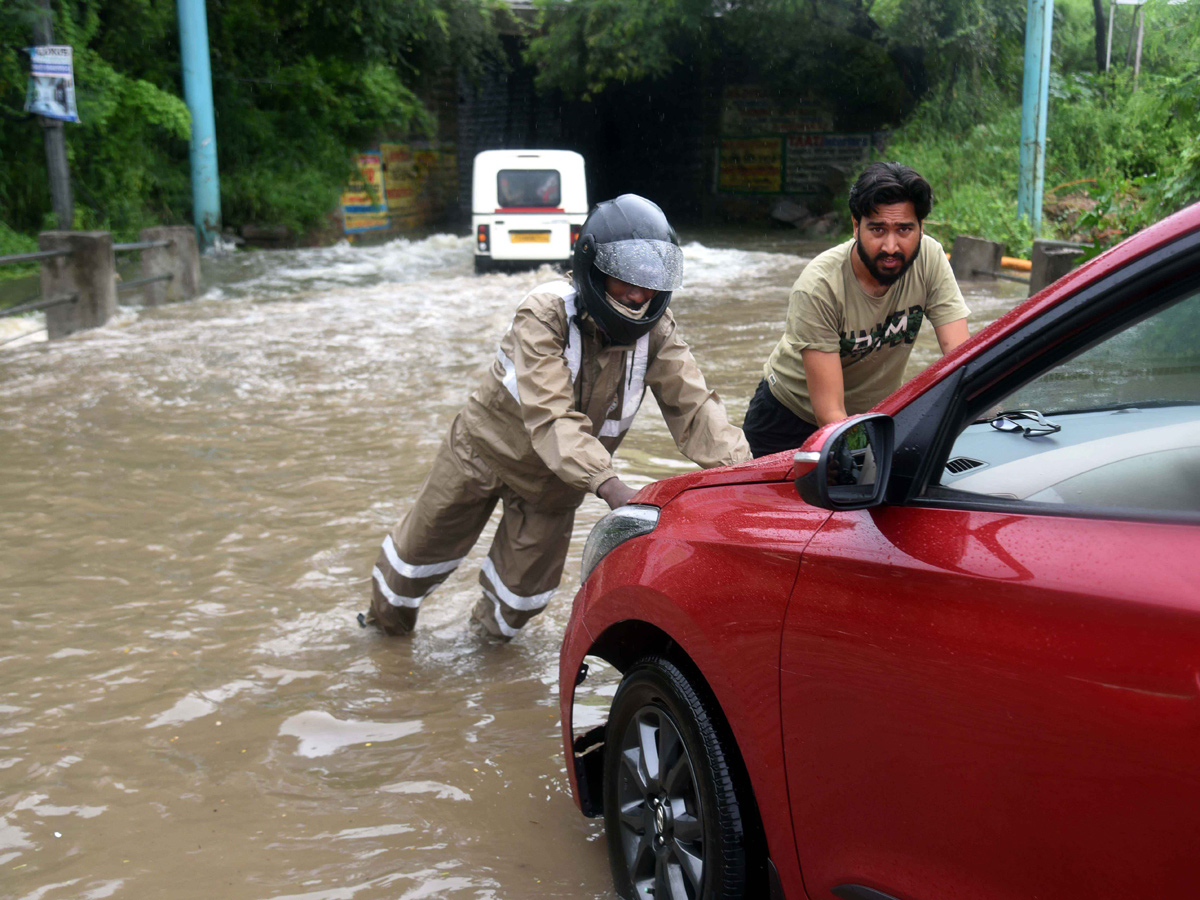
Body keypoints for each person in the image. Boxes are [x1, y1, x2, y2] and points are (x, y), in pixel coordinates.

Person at [363, 194, 751, 640]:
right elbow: (551, 417)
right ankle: (381, 643)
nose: (639, 292)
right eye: (623, 277)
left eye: (650, 279)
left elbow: (697, 409)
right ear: (591, 269)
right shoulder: (545, 314)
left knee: (518, 601)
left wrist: (746, 476)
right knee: (412, 562)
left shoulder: (657, 332)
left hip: (555, 484)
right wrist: (612, 486)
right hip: (483, 454)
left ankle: (481, 671)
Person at [743, 161, 971, 458]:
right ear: (855, 226)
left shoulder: (930, 259)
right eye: (877, 229)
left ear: (920, 228)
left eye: (904, 229)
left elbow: (961, 356)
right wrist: (871, 461)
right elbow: (830, 413)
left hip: (875, 417)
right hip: (788, 420)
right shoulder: (819, 287)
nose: (891, 246)